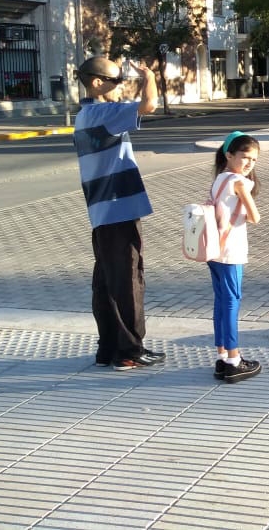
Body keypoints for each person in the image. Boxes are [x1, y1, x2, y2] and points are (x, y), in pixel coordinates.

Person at [72, 56, 166, 371]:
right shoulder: (103, 114)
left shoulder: (85, 115)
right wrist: (148, 75)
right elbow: (149, 105)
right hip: (118, 208)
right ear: (97, 83)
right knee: (128, 279)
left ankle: (108, 347)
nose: (121, 87)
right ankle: (129, 351)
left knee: (107, 282)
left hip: (102, 211)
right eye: (116, 81)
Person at [209, 131, 263, 384]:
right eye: (245, 157)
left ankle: (222, 357)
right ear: (229, 155)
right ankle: (234, 360)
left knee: (221, 302)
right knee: (231, 302)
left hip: (213, 249)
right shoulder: (240, 182)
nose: (250, 163)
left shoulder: (219, 178)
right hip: (231, 250)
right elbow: (255, 217)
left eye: (254, 159)